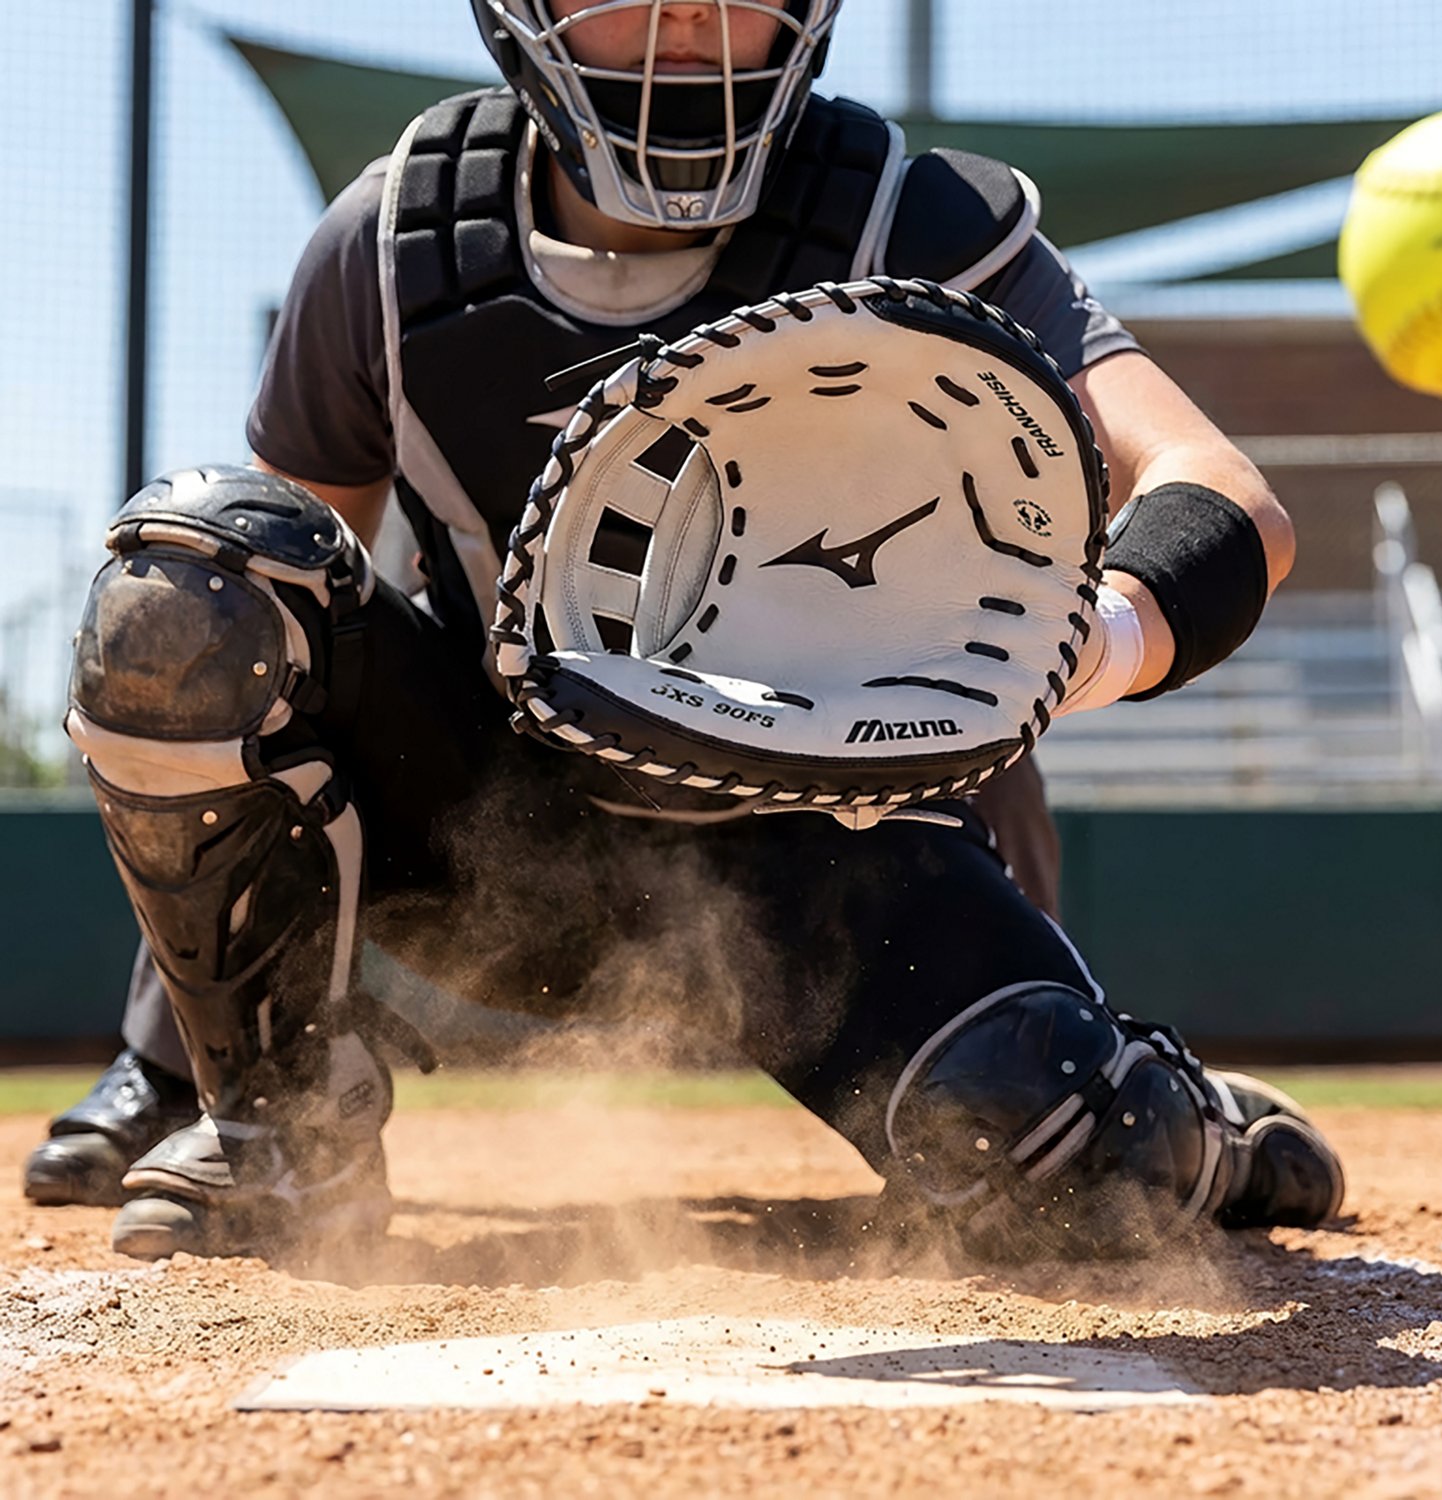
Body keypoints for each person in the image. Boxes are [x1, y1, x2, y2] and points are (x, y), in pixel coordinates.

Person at [30, 0, 1340, 1261]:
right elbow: (257, 638)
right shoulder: (390, 245)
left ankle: (1194, 1128)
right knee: (188, 580)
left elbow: (1223, 498)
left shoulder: (914, 219)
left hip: (839, 870)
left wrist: (1085, 648)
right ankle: (278, 1133)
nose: (685, 20)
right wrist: (176, 1057)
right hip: (504, 861)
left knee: (1048, 1144)